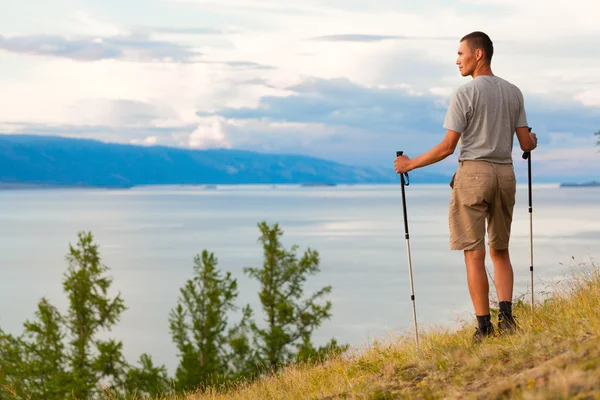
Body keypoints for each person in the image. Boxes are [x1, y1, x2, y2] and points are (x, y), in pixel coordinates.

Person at [394, 31, 538, 342]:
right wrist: (533, 142)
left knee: (474, 255)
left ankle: (484, 328)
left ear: (478, 55)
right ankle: (508, 319)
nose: (457, 60)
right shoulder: (514, 92)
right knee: (499, 249)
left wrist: (409, 164)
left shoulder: (464, 94)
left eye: (461, 54)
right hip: (505, 174)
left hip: (473, 174)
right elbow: (525, 142)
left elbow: (448, 147)